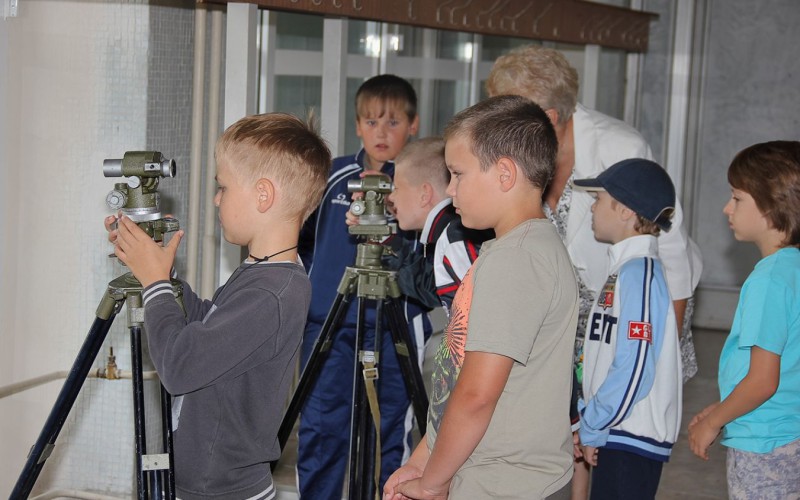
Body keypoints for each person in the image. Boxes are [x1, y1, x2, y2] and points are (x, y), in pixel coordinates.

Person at [485, 44, 702, 497]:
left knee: (611, 448)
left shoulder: (619, 148)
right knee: (572, 431)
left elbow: (672, 257)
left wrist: (655, 362)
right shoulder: (522, 151)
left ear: (548, 117)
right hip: (571, 313)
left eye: (507, 116)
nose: (497, 126)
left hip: (630, 311)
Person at [106, 113, 331, 499]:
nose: (216, 198)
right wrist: (163, 275)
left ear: (263, 195)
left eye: (223, 187)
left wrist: (155, 284)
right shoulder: (265, 273)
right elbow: (210, 330)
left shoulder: (273, 293)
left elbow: (180, 367)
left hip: (221, 491)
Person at [384, 94, 579, 500]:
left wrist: (432, 482)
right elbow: (455, 380)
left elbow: (475, 397)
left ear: (504, 174)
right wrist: (422, 460)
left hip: (507, 486)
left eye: (457, 174)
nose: (449, 189)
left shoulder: (516, 261)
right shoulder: (510, 250)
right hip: (489, 477)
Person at [297, 74, 433, 499]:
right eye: (372, 122)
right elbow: (301, 239)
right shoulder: (334, 176)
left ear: (413, 125)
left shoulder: (420, 184)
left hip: (395, 327)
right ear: (357, 125)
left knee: (387, 433)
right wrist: (315, 289)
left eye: (393, 122)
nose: (381, 133)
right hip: (329, 325)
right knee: (321, 430)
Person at [688, 141, 800, 499]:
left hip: (764, 444)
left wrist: (713, 422)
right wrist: (723, 407)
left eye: (737, 198)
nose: (727, 208)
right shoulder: (793, 269)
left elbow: (763, 381)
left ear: (772, 205)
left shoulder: (769, 280)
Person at [572, 158, 683, 500]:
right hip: (616, 430)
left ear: (625, 211)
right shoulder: (624, 270)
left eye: (598, 199)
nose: (593, 208)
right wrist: (591, 419)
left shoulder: (640, 274)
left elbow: (635, 367)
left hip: (631, 436)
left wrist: (595, 422)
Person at [354, 136, 492, 314]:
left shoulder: (455, 238)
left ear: (425, 194)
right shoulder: (451, 231)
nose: (391, 197)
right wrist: (386, 239)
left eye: (396, 188)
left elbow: (472, 313)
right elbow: (431, 286)